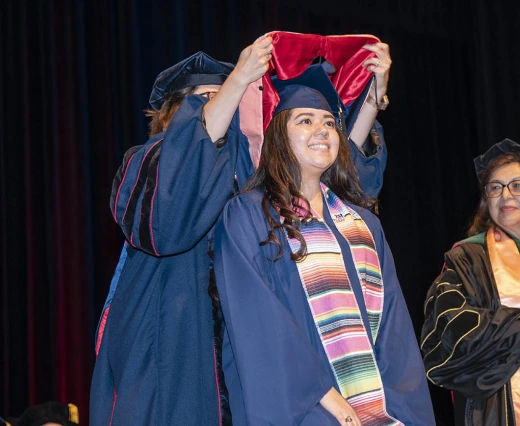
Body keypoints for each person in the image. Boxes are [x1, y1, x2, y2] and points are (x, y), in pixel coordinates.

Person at [91, 33, 394, 425]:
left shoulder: (249, 182)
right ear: (172, 114)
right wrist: (237, 80)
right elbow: (168, 223)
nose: (222, 106)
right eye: (204, 98)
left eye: (226, 98)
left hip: (242, 347)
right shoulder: (148, 162)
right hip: (171, 336)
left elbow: (332, 184)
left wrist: (372, 98)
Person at [214, 83, 435, 425]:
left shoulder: (363, 225)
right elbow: (257, 320)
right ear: (277, 138)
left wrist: (402, 406)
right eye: (305, 120)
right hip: (305, 407)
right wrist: (318, 392)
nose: (322, 130)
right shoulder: (249, 216)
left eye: (329, 123)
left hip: (379, 409)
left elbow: (393, 325)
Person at [421, 139, 520, 426]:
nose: (505, 195)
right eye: (495, 187)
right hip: (499, 409)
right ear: (486, 201)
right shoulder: (466, 259)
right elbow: (448, 335)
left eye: (518, 185)